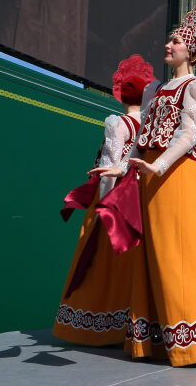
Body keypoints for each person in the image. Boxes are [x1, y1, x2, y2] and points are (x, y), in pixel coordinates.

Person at [90, 5, 196, 365]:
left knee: (184, 247)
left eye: (178, 41)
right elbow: (142, 137)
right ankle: (162, 335)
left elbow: (189, 133)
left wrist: (159, 165)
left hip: (179, 174)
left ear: (193, 50)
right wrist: (122, 167)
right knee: (156, 251)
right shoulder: (154, 88)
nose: (169, 44)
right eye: (169, 38)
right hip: (151, 173)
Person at [53, 54, 154, 345]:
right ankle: (129, 324)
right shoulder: (148, 125)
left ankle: (96, 326)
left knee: (101, 261)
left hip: (115, 197)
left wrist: (103, 207)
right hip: (139, 198)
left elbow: (111, 166)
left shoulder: (117, 123)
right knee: (132, 263)